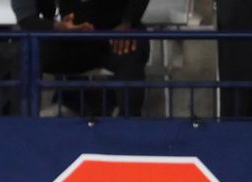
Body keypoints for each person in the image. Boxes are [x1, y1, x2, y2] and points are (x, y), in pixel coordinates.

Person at [13, 0, 151, 117]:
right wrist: (55, 27)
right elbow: (26, 18)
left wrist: (128, 22)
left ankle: (129, 125)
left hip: (116, 35)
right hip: (72, 36)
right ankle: (24, 125)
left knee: (131, 52)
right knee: (30, 52)